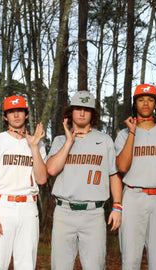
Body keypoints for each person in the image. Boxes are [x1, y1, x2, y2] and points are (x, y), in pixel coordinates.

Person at [47, 90, 122, 270]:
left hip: (93, 214)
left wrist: (117, 206)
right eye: (78, 108)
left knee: (95, 266)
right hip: (64, 212)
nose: (81, 113)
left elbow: (113, 175)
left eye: (86, 109)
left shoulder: (104, 141)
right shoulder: (59, 140)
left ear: (93, 114)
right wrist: (68, 142)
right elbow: (51, 169)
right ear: (70, 112)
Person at [114, 84, 156, 270]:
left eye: (150, 100)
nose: (145, 103)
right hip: (133, 197)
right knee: (130, 260)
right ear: (135, 103)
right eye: (141, 99)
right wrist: (133, 132)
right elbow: (121, 166)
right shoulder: (124, 134)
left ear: (155, 104)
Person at [0, 95, 47, 270]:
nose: (16, 115)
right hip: (2, 206)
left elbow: (41, 179)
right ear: (5, 116)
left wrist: (33, 147)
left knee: (26, 265)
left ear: (26, 114)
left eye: (20, 111)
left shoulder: (37, 144)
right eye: (11, 111)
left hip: (28, 208)